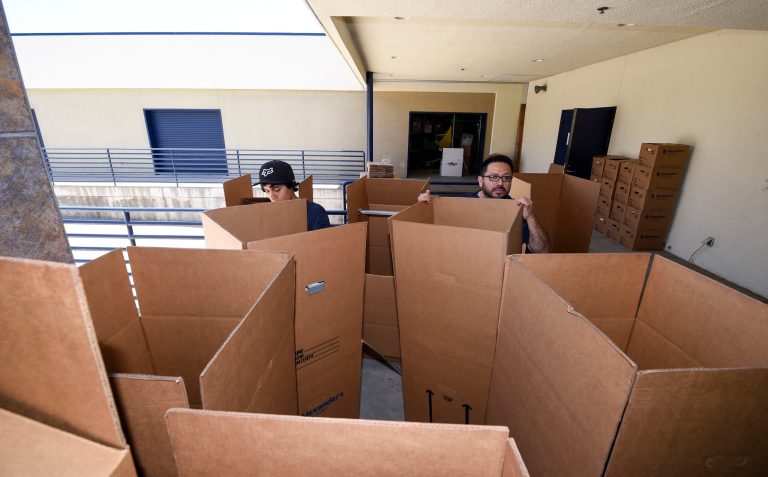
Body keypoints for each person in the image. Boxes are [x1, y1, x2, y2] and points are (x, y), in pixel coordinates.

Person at [418, 154, 550, 253]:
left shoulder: (517, 209)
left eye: (506, 178)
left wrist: (530, 217)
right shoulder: (462, 203)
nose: (500, 183)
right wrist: (424, 208)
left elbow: (542, 250)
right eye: (493, 177)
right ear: (480, 181)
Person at [258, 160, 331, 231]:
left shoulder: (315, 212)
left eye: (276, 189)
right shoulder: (267, 215)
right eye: (267, 191)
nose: (271, 196)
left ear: (291, 184)